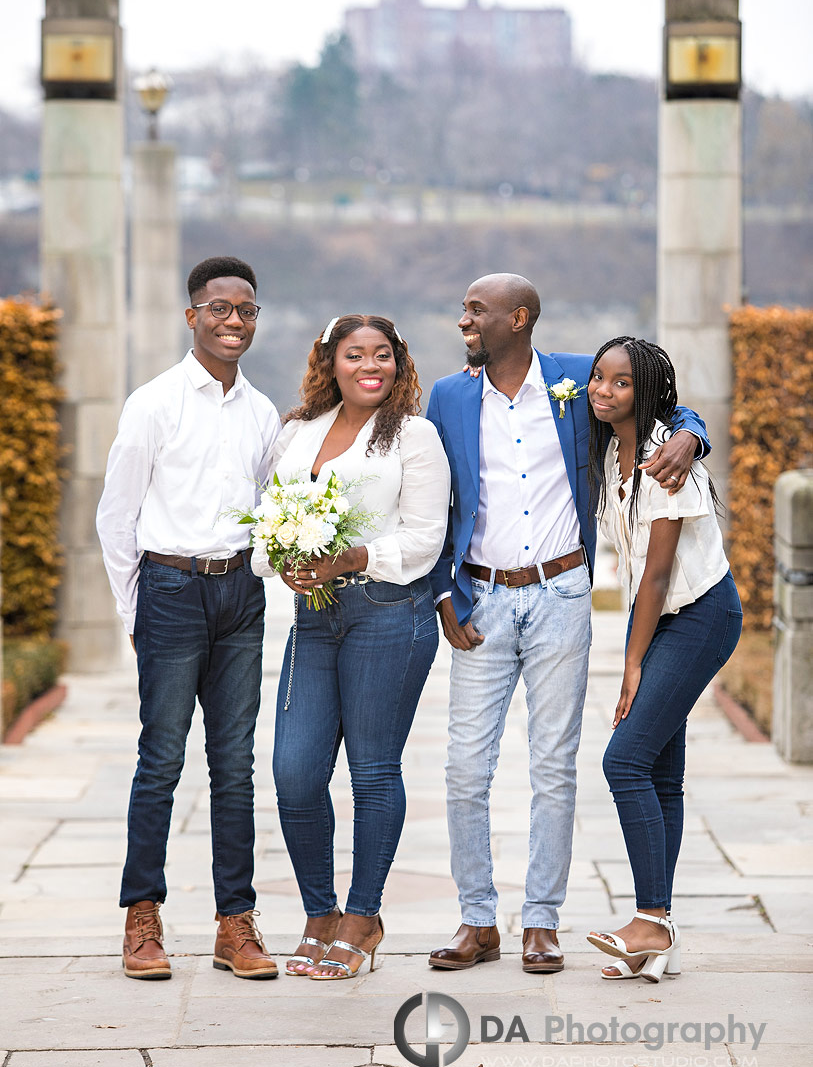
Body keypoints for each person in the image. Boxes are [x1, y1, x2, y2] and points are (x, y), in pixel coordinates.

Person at [425, 273, 710, 974]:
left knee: (553, 766)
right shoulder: (449, 395)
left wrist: (692, 439)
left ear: (517, 319)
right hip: (481, 602)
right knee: (465, 769)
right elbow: (430, 498)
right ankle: (476, 919)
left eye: (476, 309)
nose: (463, 318)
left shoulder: (579, 379)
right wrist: (442, 595)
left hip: (560, 592)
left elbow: (664, 399)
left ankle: (541, 922)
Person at [97, 256, 281, 981]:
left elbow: (269, 514)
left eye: (246, 309)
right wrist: (134, 612)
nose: (233, 321)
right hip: (170, 590)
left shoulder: (262, 412)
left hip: (240, 595)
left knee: (235, 767)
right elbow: (117, 516)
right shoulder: (154, 403)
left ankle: (234, 923)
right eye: (219, 308)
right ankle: (142, 917)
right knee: (162, 760)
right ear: (192, 316)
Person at [251, 314, 450, 980]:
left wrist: (353, 556)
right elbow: (267, 523)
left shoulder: (413, 437)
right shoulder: (296, 432)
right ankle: (318, 912)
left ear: (398, 362)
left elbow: (425, 539)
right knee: (295, 771)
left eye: (383, 354)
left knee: (371, 771)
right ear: (329, 362)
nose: (372, 365)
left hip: (388, 613)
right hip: (314, 615)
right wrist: (281, 560)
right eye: (355, 354)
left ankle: (362, 919)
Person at [585, 337, 741, 981]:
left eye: (620, 383)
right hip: (665, 615)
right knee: (658, 774)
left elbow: (654, 577)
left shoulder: (665, 459)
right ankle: (656, 934)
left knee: (623, 761)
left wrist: (631, 665)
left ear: (646, 392)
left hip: (700, 614)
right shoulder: (611, 442)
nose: (602, 390)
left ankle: (651, 917)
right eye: (598, 378)